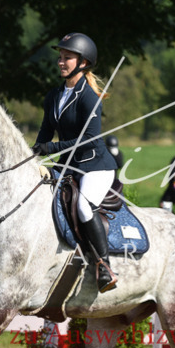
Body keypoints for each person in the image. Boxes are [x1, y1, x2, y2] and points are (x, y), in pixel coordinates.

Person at [32, 32, 118, 292]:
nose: (61, 61)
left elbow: (88, 140)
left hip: (95, 166)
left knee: (83, 206)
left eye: (67, 57)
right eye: (60, 57)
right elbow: (45, 134)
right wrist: (31, 155)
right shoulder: (53, 96)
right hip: (67, 165)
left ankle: (104, 266)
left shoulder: (89, 97)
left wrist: (51, 148)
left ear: (83, 62)